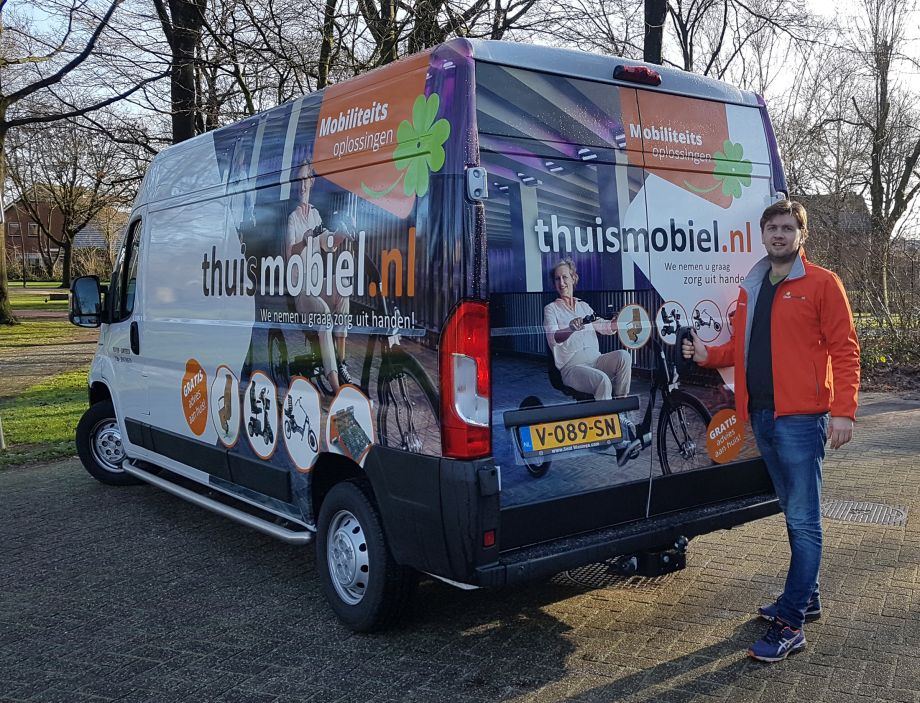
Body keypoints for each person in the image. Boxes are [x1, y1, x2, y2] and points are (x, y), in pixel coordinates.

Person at [682, 200, 860, 663]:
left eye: (787, 228)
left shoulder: (823, 283)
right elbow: (742, 349)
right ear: (762, 235)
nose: (779, 235)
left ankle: (792, 624)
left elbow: (845, 349)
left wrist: (844, 411)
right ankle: (807, 598)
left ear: (802, 235)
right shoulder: (753, 285)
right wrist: (708, 355)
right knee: (791, 511)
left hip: (801, 420)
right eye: (772, 228)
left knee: (804, 519)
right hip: (761, 415)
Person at [286, 162, 354, 392]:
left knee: (342, 288)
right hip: (301, 290)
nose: (302, 185)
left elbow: (328, 243)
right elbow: (289, 252)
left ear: (312, 181)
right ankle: (335, 385)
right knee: (323, 313)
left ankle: (341, 363)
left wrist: (341, 233)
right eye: (298, 180)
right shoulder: (293, 218)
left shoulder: (315, 215)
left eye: (305, 179)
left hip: (317, 285)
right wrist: (304, 241)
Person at [543, 258, 631, 401]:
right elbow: (553, 337)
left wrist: (616, 322)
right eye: (557, 279)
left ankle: (620, 407)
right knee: (602, 381)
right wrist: (570, 328)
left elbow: (603, 326)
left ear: (573, 278)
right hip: (572, 367)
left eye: (565, 277)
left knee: (624, 356)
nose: (561, 283)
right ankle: (606, 414)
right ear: (554, 284)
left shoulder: (583, 306)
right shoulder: (551, 309)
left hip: (596, 360)